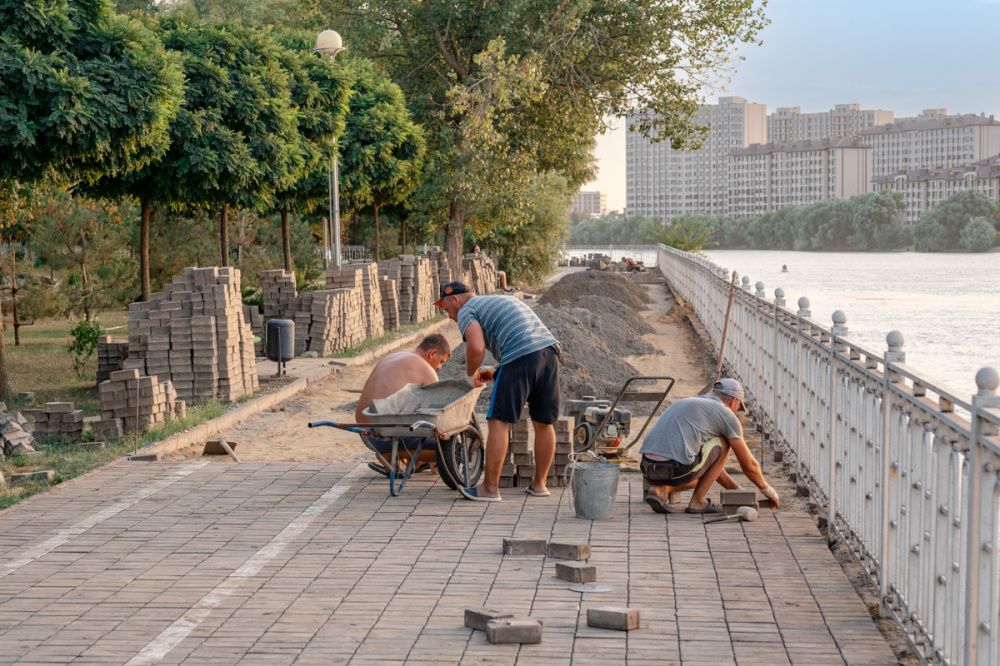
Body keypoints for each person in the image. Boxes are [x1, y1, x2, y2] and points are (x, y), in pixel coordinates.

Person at [435, 281, 560, 502]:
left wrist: (470, 374)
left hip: (520, 356)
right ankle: (539, 485)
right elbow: (524, 339)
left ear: (455, 300)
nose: (449, 316)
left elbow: (476, 347)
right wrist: (496, 370)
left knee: (498, 421)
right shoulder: (498, 300)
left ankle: (489, 489)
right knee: (543, 423)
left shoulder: (467, 310)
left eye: (446, 309)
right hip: (548, 352)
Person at [639, 378, 780, 514]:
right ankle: (698, 502)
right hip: (676, 468)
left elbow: (711, 467)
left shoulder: (687, 402)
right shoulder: (726, 414)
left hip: (648, 468)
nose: (737, 411)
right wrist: (767, 490)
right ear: (734, 401)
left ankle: (659, 489)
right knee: (724, 443)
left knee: (699, 474)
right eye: (739, 407)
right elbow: (749, 465)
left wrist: (737, 492)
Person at [356, 334, 452, 475]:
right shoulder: (425, 368)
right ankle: (391, 454)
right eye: (441, 361)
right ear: (433, 353)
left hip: (366, 435)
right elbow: (437, 413)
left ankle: (404, 457)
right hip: (386, 437)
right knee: (447, 447)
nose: (439, 367)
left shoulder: (394, 357)